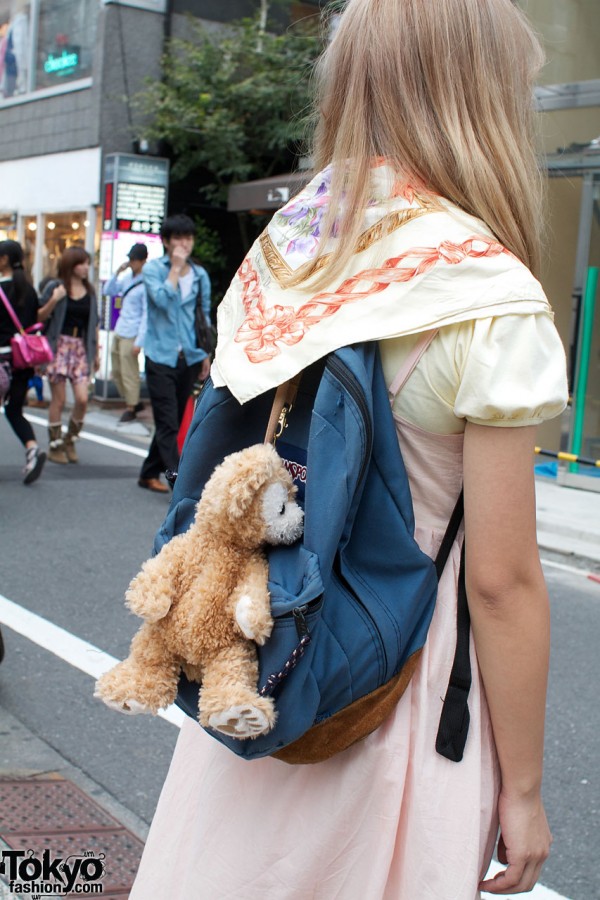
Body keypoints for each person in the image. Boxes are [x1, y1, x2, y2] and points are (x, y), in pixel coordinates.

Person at [129, 2, 568, 897]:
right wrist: (524, 792)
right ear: (476, 97)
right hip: (397, 686)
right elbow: (502, 580)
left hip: (279, 656)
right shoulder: (485, 293)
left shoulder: (287, 252)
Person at [138, 214, 211, 494]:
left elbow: (202, 317)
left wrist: (204, 353)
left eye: (188, 238)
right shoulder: (153, 270)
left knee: (174, 417)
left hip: (189, 357)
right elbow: (161, 300)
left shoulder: (200, 274)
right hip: (160, 355)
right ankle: (178, 479)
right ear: (166, 242)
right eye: (178, 238)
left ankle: (147, 472)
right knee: (167, 420)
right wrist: (175, 270)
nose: (184, 244)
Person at [0, 239, 63, 484]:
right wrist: (54, 300)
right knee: (14, 409)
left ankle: (32, 450)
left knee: (12, 409)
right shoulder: (27, 288)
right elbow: (35, 319)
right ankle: (32, 449)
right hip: (22, 361)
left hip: (2, 357)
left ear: (4, 259)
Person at [39, 247, 99, 464]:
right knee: (59, 399)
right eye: (81, 263)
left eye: (87, 263)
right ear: (70, 264)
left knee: (82, 399)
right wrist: (54, 299)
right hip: (58, 347)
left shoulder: (90, 291)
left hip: (80, 349)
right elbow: (39, 316)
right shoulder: (56, 287)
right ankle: (55, 445)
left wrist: (96, 353)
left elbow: (94, 324)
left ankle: (69, 439)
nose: (85, 268)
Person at [104, 242, 148, 424]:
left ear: (143, 260)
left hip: (133, 332)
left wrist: (140, 341)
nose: (131, 262)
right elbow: (108, 291)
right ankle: (133, 401)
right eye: (130, 259)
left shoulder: (147, 282)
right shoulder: (127, 278)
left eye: (134, 259)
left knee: (129, 372)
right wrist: (117, 273)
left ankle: (131, 408)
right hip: (120, 329)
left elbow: (147, 313)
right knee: (116, 370)